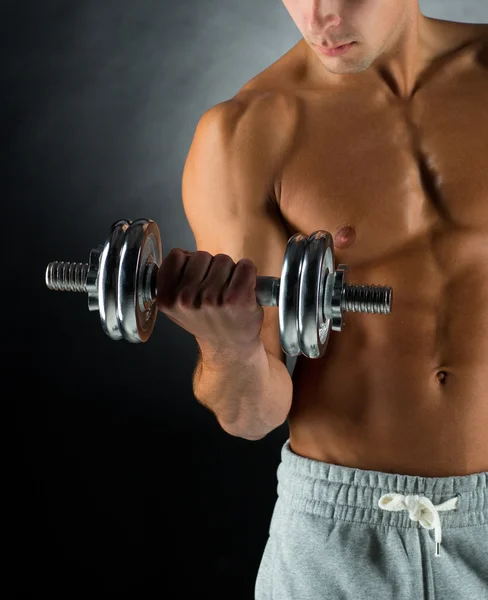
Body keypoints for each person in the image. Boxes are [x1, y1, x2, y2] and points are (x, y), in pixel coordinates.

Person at [157, 1, 488, 598]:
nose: (320, 17)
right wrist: (228, 348)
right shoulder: (247, 133)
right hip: (339, 539)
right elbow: (251, 417)